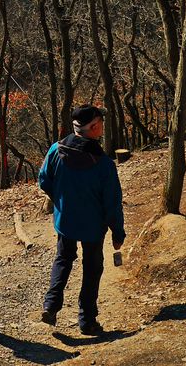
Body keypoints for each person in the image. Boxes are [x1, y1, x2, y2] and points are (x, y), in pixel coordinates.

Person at [38, 105, 125, 336]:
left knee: (63, 259)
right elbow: (112, 203)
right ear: (94, 127)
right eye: (101, 123)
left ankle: (51, 305)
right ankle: (87, 321)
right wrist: (118, 233)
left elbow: (44, 181)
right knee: (92, 267)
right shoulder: (104, 165)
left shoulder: (56, 150)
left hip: (65, 221)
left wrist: (61, 200)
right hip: (93, 227)